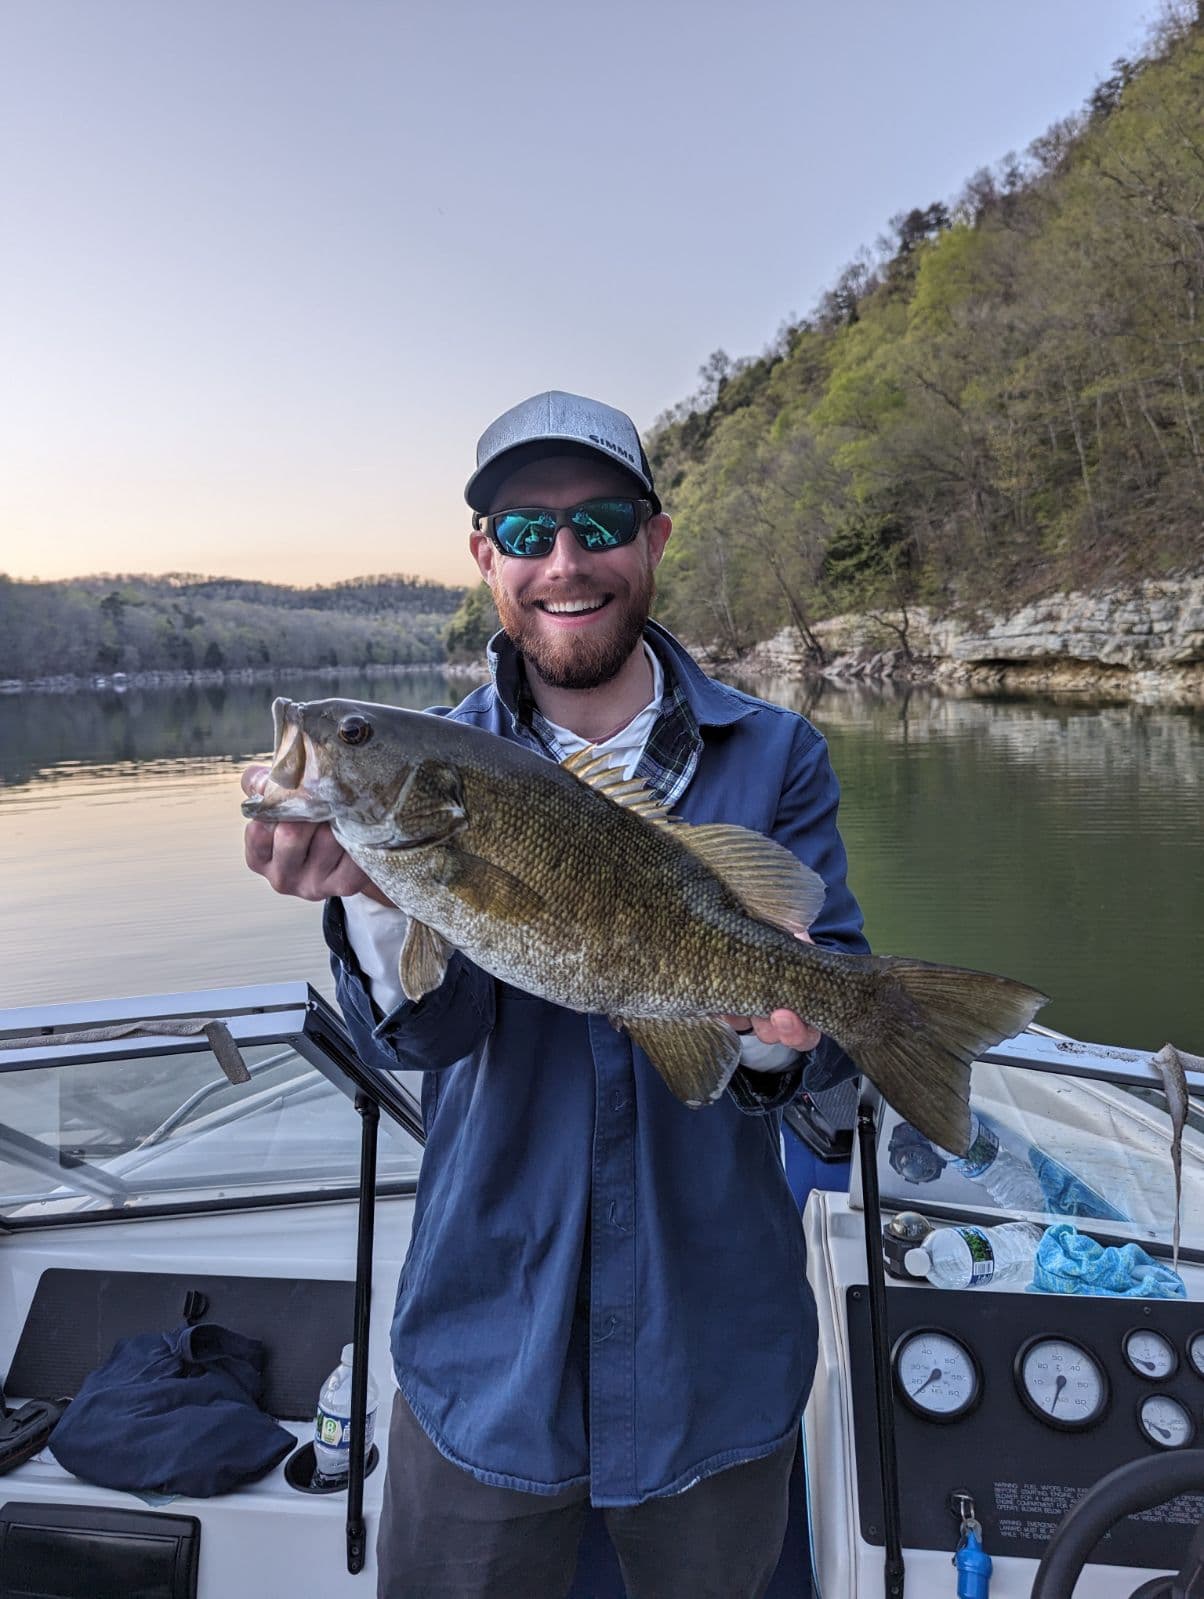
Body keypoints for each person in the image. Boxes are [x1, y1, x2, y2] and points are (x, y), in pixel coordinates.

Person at [243, 390, 868, 1599]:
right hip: (487, 1353)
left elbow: (821, 1087)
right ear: (485, 556)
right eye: (526, 533)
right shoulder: (438, 765)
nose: (565, 562)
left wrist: (784, 1047)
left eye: (600, 523)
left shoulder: (776, 754)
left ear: (654, 538)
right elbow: (436, 1037)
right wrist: (372, 899)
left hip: (713, 1353)